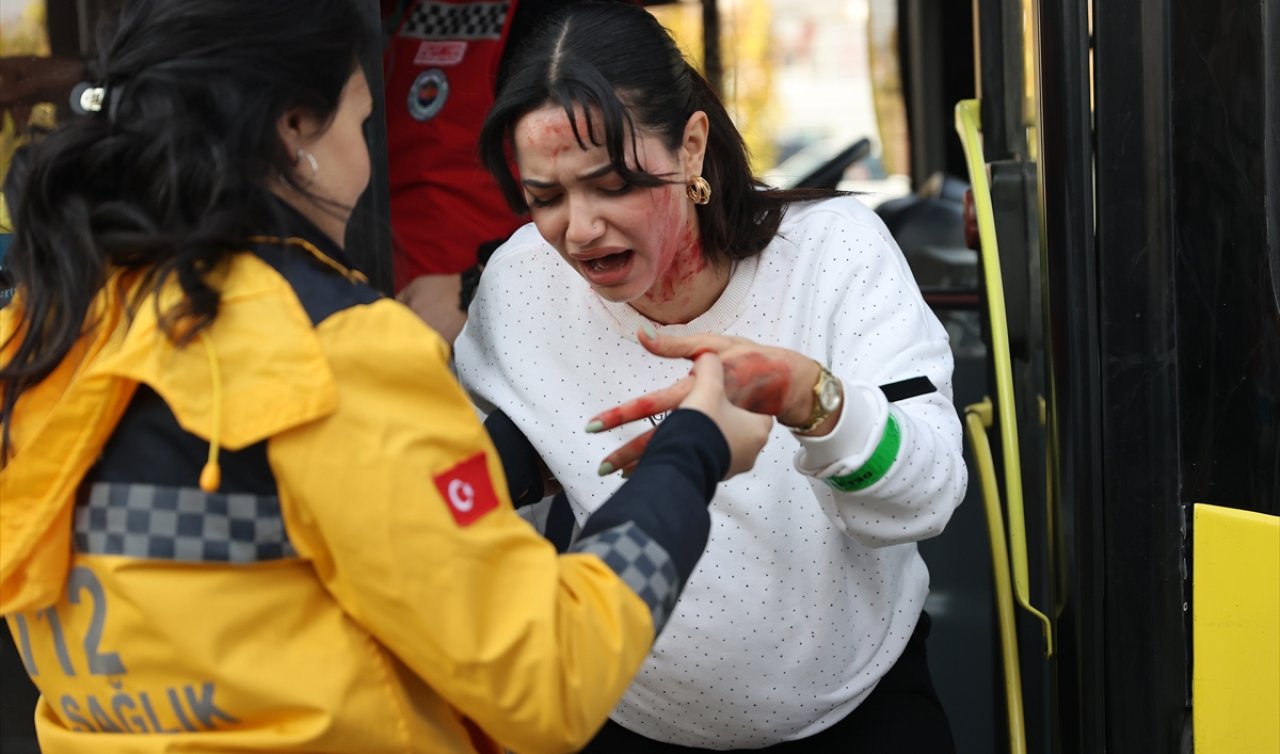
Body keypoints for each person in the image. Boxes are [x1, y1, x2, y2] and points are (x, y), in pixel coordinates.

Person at [0, 2, 771, 752]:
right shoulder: (335, 351)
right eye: (363, 123)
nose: (369, 164)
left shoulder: (47, 329)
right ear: (295, 127)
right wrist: (692, 451)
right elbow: (548, 676)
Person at [453, 3, 968, 751]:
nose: (580, 227)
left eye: (612, 184)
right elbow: (481, 516)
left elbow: (928, 496)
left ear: (691, 146)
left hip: (856, 714)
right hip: (622, 719)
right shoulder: (520, 281)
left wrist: (810, 400)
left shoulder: (833, 253)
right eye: (545, 197)